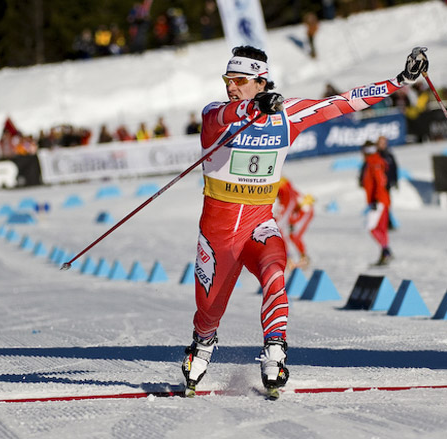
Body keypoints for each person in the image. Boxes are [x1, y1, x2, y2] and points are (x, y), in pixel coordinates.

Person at [181, 45, 428, 397]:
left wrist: (400, 80)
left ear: (261, 81)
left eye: (239, 80)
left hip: (258, 223)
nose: (230, 86)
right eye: (227, 79)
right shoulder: (217, 112)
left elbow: (344, 101)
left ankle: (275, 351)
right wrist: (252, 106)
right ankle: (202, 344)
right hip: (217, 234)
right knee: (208, 311)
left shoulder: (288, 114)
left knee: (275, 271)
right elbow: (220, 117)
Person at [361, 141, 393, 266]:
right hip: (380, 200)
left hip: (379, 200)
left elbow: (380, 182)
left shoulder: (374, 162)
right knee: (381, 228)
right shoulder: (372, 162)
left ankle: (386, 251)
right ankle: (385, 252)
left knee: (372, 227)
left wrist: (377, 199)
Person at [275, 177, 315, 269]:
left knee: (291, 234)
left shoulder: (286, 190)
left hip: (305, 210)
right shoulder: (286, 188)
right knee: (289, 233)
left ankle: (297, 258)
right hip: (299, 210)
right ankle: (297, 257)